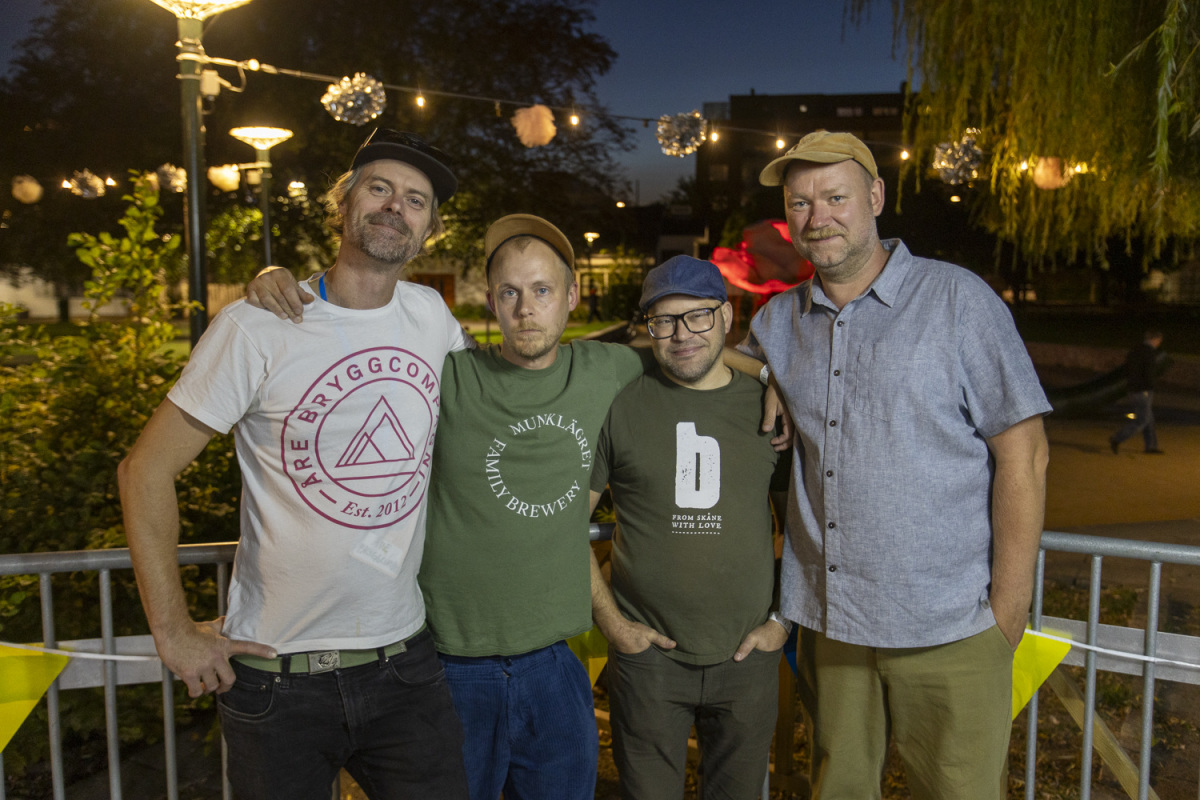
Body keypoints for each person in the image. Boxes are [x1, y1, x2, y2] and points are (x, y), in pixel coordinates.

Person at [245, 214, 787, 800]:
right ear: (491, 301)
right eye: (510, 292)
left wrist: (770, 375)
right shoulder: (449, 374)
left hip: (554, 661)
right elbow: (357, 335)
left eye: (542, 290)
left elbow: (690, 349)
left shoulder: (607, 369)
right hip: (451, 661)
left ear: (570, 297)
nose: (526, 309)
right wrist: (283, 281)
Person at [118, 129, 472, 800]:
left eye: (415, 200)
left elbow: (501, 402)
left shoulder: (432, 316)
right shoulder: (257, 326)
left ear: (429, 229)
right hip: (277, 679)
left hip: (405, 667)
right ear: (342, 205)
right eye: (379, 188)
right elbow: (144, 470)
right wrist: (172, 631)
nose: (395, 207)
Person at [741, 130, 1051, 800]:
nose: (817, 217)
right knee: (839, 789)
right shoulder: (776, 323)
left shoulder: (957, 300)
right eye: (800, 203)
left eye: (836, 197)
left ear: (876, 197)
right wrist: (764, 373)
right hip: (833, 625)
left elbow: (1025, 454)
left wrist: (1008, 610)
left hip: (950, 625)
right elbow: (712, 365)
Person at [588, 255, 791, 800]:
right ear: (648, 327)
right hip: (648, 661)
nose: (681, 335)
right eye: (664, 320)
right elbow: (568, 523)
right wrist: (614, 626)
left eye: (698, 316)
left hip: (748, 657)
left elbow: (803, 529)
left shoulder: (769, 410)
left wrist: (782, 622)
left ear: (726, 316)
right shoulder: (620, 405)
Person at [1109, 329, 1165, 454]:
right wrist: (1150, 386)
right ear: (1155, 339)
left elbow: (1128, 369)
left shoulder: (1136, 350)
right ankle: (1117, 438)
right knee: (1143, 419)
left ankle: (1151, 446)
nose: (1159, 343)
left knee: (1149, 418)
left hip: (1134, 388)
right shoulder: (1149, 352)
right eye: (1159, 341)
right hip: (1142, 389)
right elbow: (1149, 372)